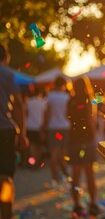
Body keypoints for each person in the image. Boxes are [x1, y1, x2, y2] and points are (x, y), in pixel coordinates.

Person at [0, 43, 29, 219]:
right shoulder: (6, 74)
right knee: (5, 176)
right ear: (5, 57)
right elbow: (18, 104)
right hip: (4, 130)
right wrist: (22, 133)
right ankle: (6, 214)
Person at [67, 77, 100, 216]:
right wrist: (93, 135)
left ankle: (77, 205)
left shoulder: (70, 101)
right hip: (87, 139)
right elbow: (91, 119)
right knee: (89, 173)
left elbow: (67, 117)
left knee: (76, 173)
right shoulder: (89, 99)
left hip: (74, 139)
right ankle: (93, 203)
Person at [43, 76, 71, 186]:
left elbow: (47, 113)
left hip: (53, 128)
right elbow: (69, 113)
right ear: (64, 85)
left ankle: (55, 178)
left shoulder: (50, 96)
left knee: (53, 154)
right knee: (63, 152)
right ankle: (66, 174)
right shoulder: (67, 97)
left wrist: (44, 126)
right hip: (65, 127)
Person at [26, 89, 47, 168]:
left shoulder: (29, 102)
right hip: (39, 126)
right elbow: (45, 115)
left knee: (31, 146)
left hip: (30, 126)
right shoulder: (43, 103)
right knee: (38, 146)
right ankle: (37, 162)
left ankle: (32, 162)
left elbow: (26, 113)